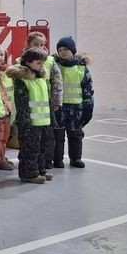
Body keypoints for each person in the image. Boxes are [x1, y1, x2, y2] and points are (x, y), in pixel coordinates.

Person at [7, 48, 53, 184]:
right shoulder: (23, 80)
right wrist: (26, 122)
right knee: (29, 149)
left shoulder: (41, 78)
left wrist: (51, 118)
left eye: (43, 63)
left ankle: (40, 169)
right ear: (28, 62)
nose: (42, 66)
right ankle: (29, 174)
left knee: (41, 148)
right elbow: (22, 103)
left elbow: (46, 100)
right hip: (29, 122)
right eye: (38, 63)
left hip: (43, 121)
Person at [23, 32, 63, 170]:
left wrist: (56, 101)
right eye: (35, 44)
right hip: (30, 107)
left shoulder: (50, 60)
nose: (39, 47)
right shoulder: (21, 61)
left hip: (46, 105)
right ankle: (32, 165)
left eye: (42, 44)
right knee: (31, 139)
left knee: (48, 136)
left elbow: (57, 82)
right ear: (28, 44)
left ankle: (46, 161)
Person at [52, 37, 94, 169]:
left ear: (73, 50)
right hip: (59, 107)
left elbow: (87, 89)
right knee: (57, 135)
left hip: (76, 108)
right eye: (60, 50)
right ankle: (57, 159)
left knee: (75, 134)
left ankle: (76, 158)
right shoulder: (55, 66)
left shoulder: (81, 68)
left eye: (65, 49)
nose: (62, 52)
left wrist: (88, 107)